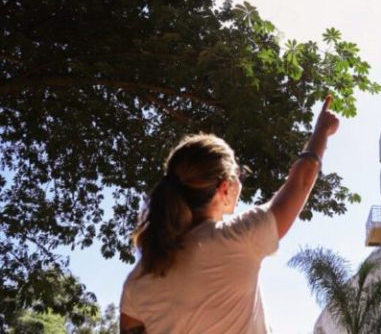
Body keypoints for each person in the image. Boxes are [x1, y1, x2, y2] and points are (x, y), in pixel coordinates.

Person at [119, 95, 339, 334]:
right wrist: (322, 130)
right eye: (240, 175)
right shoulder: (239, 238)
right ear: (224, 187)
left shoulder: (137, 282)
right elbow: (302, 180)